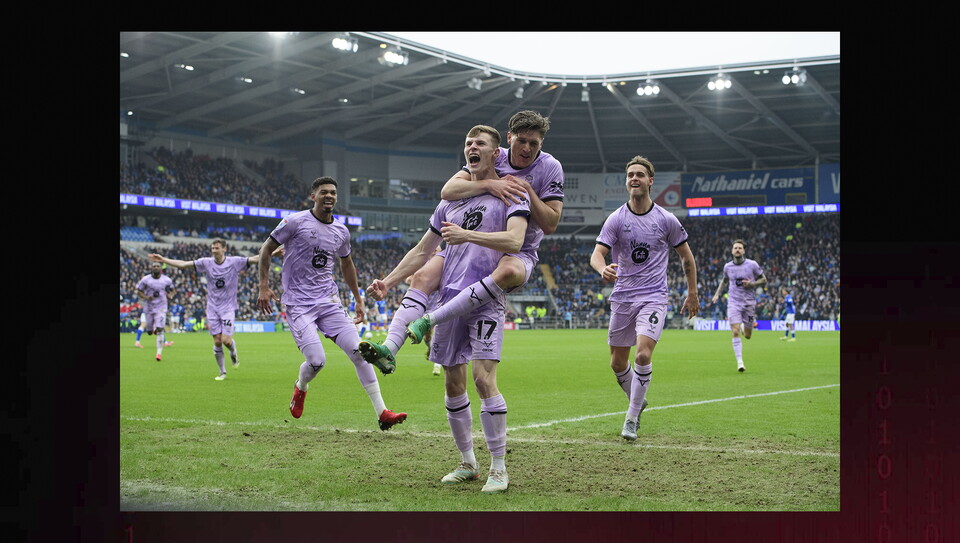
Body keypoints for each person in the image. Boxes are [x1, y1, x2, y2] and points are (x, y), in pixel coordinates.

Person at [363, 125, 530, 493]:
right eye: (468, 142)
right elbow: (423, 252)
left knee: (484, 380)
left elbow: (515, 240)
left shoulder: (511, 193)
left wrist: (467, 235)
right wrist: (388, 282)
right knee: (453, 383)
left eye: (480, 143)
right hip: (448, 298)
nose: (472, 147)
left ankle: (499, 468)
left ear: (495, 152)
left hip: (484, 298)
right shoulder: (450, 200)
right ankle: (467, 462)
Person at [363, 111, 562, 368]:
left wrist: (526, 190)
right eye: (521, 141)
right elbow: (447, 192)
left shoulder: (549, 167)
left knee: (508, 269)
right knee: (423, 277)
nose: (526, 148)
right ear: (509, 140)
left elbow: (550, 224)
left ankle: (429, 320)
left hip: (514, 250)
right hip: (467, 245)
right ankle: (389, 348)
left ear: (541, 144)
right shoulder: (490, 154)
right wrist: (492, 185)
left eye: (533, 143)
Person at [256, 176, 407, 430]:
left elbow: (346, 264)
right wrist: (263, 286)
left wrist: (358, 299)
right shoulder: (294, 222)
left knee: (361, 352)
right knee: (317, 361)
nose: (329, 196)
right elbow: (265, 249)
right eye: (324, 192)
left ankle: (383, 412)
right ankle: (301, 386)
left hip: (328, 302)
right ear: (313, 196)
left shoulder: (341, 231)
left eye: (333, 193)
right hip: (298, 304)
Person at [590, 155, 699, 441]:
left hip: (653, 296)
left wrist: (693, 292)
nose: (634, 179)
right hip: (623, 297)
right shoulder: (616, 219)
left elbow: (686, 256)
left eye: (640, 174)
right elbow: (597, 254)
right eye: (630, 175)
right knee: (616, 362)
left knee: (642, 354)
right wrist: (602, 269)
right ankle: (638, 397)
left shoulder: (666, 219)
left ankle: (632, 416)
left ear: (651, 181)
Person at [148, 239, 282, 380]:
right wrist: (163, 259)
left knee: (226, 340)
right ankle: (222, 372)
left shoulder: (234, 262)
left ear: (224, 249)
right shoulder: (206, 262)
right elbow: (183, 265)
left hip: (228, 308)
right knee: (217, 341)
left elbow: (256, 259)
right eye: (212, 248)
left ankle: (233, 352)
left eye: (216, 248)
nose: (213, 250)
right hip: (212, 308)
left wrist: (272, 253)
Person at [710, 239, 767, 372]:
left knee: (747, 335)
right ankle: (740, 362)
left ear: (744, 250)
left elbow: (764, 279)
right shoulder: (727, 267)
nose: (737, 250)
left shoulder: (752, 265)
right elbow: (724, 281)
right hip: (733, 302)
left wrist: (752, 284)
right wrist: (717, 294)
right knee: (735, 331)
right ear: (732, 250)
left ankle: (743, 326)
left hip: (749, 303)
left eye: (740, 248)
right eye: (735, 248)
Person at [135, 261, 176, 361]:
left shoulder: (166, 280)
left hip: (161, 307)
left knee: (160, 328)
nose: (156, 268)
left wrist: (170, 295)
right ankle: (151, 329)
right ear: (151, 268)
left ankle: (158, 354)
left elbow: (173, 290)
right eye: (154, 266)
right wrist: (146, 297)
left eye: (158, 266)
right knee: (149, 331)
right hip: (149, 307)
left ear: (161, 268)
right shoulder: (145, 280)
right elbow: (139, 291)